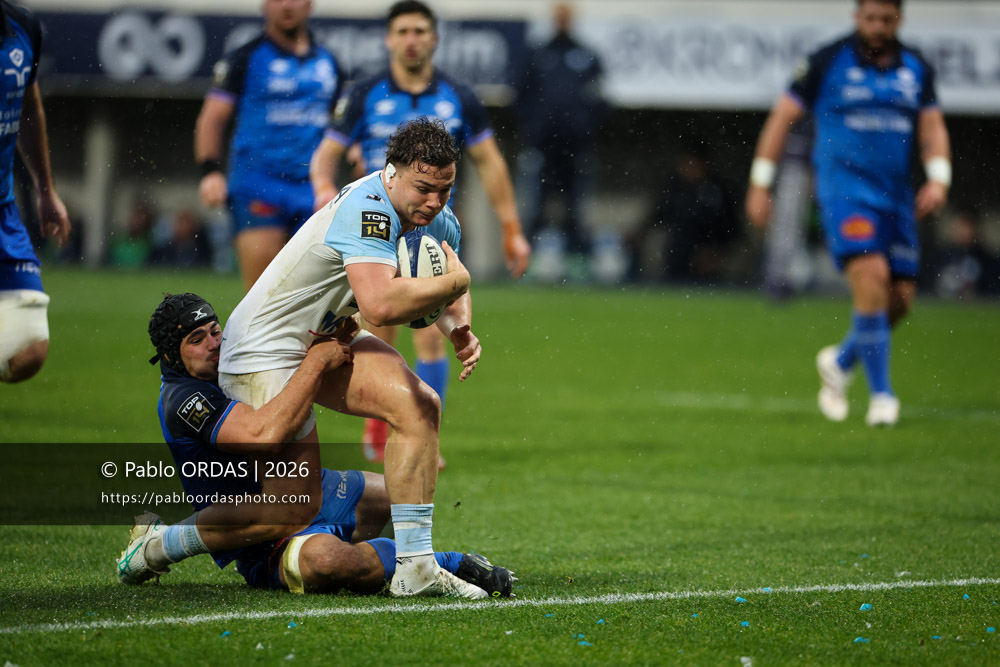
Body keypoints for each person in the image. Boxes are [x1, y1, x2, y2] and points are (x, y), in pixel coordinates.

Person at [220, 117, 486, 599]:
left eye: (445, 190)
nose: (434, 202)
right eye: (424, 188)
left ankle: (416, 568)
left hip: (325, 339)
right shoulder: (369, 208)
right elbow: (381, 306)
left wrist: (457, 327)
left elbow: (445, 280)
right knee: (292, 507)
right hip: (263, 348)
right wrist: (457, 284)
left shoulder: (438, 219)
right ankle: (162, 543)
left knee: (420, 405)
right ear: (393, 174)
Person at [119, 293, 514, 598]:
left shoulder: (235, 357)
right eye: (196, 339)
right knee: (327, 561)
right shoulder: (184, 399)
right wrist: (315, 362)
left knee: (399, 492)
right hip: (262, 531)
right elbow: (262, 437)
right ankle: (449, 563)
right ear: (170, 355)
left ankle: (373, 559)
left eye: (215, 331)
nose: (214, 343)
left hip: (309, 487)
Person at [309, 0, 531, 461]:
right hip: (374, 229)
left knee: (431, 329)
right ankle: (380, 431)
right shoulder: (365, 93)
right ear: (389, 39)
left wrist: (511, 228)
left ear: (434, 38)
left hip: (430, 228)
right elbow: (325, 155)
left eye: (420, 31)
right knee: (379, 326)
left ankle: (425, 435)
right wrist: (325, 193)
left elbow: (490, 162)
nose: (411, 40)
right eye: (403, 31)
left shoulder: (459, 96)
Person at [745, 0, 950, 427]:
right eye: (870, 18)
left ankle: (840, 362)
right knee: (871, 274)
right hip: (844, 194)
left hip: (896, 198)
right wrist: (761, 182)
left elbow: (932, 126)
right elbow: (782, 117)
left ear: (899, 20)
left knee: (899, 301)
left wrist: (938, 177)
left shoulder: (916, 68)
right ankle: (882, 397)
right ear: (857, 17)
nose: (877, 27)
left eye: (886, 20)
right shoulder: (826, 61)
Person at [195, 0, 343, 291]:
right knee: (264, 293)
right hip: (257, 183)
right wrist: (210, 171)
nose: (286, 5)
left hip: (312, 188)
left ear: (309, 4)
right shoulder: (245, 58)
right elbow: (211, 119)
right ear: (264, 5)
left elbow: (342, 128)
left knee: (314, 294)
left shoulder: (330, 62)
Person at [0, 1, 71, 384]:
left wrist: (46, 190)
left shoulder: (23, 26)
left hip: (3, 209)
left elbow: (28, 109)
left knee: (26, 349)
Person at [514, 2, 605, 277]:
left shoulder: (586, 55)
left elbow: (600, 98)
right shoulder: (538, 55)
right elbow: (521, 96)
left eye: (567, 17)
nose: (563, 21)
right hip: (543, 146)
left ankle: (577, 262)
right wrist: (537, 125)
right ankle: (529, 262)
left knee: (575, 208)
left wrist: (584, 125)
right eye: (559, 16)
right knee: (535, 205)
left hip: (575, 146)